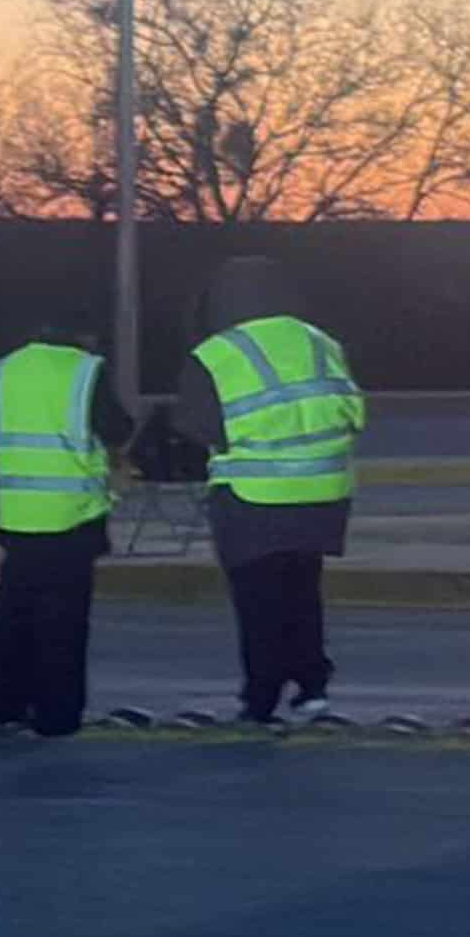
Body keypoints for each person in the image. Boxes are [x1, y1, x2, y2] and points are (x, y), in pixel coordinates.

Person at [167, 256, 365, 725]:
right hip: (322, 492)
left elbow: (195, 425)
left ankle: (261, 697)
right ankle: (313, 686)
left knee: (258, 600)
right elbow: (352, 408)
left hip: (252, 498)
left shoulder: (218, 354)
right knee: (302, 590)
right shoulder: (320, 342)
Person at [0, 308, 136, 738]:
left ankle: (0, 706)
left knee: (13, 615)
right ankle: (56, 713)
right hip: (70, 512)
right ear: (82, 336)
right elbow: (117, 427)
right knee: (63, 622)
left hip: (17, 511)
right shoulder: (85, 372)